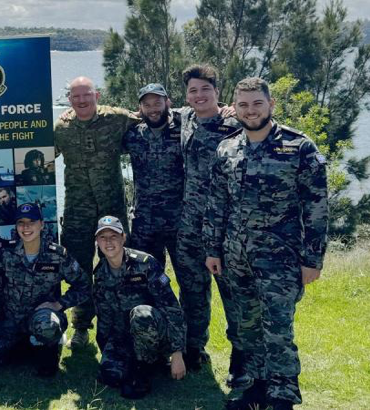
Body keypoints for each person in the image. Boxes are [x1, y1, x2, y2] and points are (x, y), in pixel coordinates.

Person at [204, 77, 328, 410]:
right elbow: (217, 204)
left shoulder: (299, 147)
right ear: (236, 108)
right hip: (235, 255)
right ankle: (256, 389)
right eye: (242, 105)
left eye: (257, 103)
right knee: (245, 327)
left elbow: (316, 208)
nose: (250, 111)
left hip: (280, 258)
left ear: (271, 104)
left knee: (277, 329)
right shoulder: (227, 148)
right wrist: (213, 249)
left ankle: (283, 394)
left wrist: (312, 260)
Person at [54, 76, 140, 348]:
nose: (81, 101)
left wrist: (223, 110)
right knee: (78, 268)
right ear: (69, 100)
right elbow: (40, 154)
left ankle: (120, 324)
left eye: (86, 95)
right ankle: (81, 327)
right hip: (77, 208)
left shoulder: (117, 118)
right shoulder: (62, 127)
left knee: (117, 266)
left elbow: (153, 117)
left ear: (97, 95)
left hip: (111, 207)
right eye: (75, 96)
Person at [174, 64, 247, 386]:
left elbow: (266, 127)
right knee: (192, 294)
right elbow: (149, 111)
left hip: (224, 227)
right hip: (189, 226)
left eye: (205, 89)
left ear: (217, 91)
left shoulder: (235, 123)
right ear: (187, 96)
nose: (199, 95)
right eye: (193, 90)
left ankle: (242, 360)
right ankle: (194, 350)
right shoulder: (185, 118)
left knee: (234, 296)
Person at [0, 203, 91, 376]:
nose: (26, 227)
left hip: (41, 320)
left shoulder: (57, 255)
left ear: (41, 224)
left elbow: (84, 285)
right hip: (10, 322)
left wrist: (59, 304)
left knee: (46, 366)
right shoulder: (5, 254)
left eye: (31, 221)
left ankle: (44, 351)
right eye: (21, 222)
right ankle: (19, 348)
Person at [93, 215, 186, 399]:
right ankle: (139, 362)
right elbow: (104, 315)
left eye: (114, 236)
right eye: (103, 237)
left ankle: (144, 368)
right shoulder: (101, 273)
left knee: (141, 314)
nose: (108, 242)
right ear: (97, 241)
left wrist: (177, 353)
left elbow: (171, 307)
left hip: (154, 333)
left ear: (123, 238)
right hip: (124, 337)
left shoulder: (145, 264)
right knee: (110, 376)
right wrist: (106, 351)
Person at [122, 84, 183, 272]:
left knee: (190, 281)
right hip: (145, 219)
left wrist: (226, 108)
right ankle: (150, 304)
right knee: (145, 276)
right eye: (146, 105)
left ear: (168, 102)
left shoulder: (184, 130)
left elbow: (206, 113)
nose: (153, 109)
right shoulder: (133, 134)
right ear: (140, 109)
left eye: (157, 103)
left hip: (179, 219)